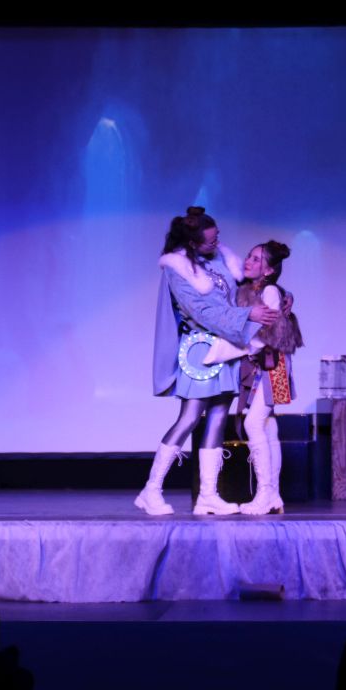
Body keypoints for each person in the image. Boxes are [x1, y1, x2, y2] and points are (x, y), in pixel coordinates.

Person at [137, 207, 277, 516]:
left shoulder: (221, 259)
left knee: (218, 417)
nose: (217, 243)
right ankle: (151, 490)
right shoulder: (178, 268)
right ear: (192, 242)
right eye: (210, 241)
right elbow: (202, 312)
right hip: (200, 350)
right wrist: (247, 315)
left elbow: (237, 294)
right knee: (189, 418)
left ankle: (208, 495)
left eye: (218, 238)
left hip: (226, 347)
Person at [236, 240, 303, 514]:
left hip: (272, 363)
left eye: (256, 259)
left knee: (253, 423)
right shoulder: (251, 289)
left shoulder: (270, 291)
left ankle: (264, 493)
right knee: (268, 426)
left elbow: (269, 332)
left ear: (268, 270)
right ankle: (274, 495)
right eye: (249, 256)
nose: (248, 261)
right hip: (266, 364)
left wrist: (241, 346)